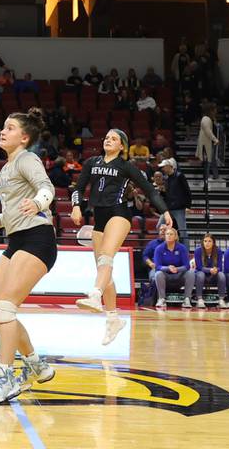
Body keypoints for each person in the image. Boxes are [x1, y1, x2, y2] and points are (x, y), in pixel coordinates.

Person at [0, 109, 57, 405]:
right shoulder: (6, 169)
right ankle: (37, 365)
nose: (2, 131)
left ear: (24, 137)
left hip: (38, 240)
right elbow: (13, 209)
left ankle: (6, 375)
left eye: (9, 128)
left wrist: (38, 203)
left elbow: (46, 188)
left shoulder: (27, 159)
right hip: (16, 239)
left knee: (4, 309)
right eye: (3, 127)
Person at [71, 129, 171, 335]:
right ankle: (113, 319)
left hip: (119, 214)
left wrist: (165, 211)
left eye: (113, 139)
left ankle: (95, 295)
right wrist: (75, 205)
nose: (108, 140)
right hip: (98, 218)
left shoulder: (126, 166)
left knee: (106, 259)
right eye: (106, 137)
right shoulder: (92, 163)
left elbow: (149, 189)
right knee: (103, 269)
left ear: (122, 146)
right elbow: (78, 188)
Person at [149, 226, 192, 310]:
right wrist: (168, 268)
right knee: (158, 273)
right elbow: (158, 266)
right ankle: (161, 299)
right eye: (167, 234)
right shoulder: (159, 248)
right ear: (165, 236)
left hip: (179, 275)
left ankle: (187, 299)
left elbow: (187, 266)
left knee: (190, 273)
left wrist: (177, 269)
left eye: (171, 234)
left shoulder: (182, 248)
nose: (169, 236)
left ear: (175, 236)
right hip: (166, 275)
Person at [159, 158, 192, 244]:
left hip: (178, 208)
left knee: (183, 231)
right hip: (169, 208)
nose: (163, 169)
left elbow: (187, 190)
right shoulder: (166, 178)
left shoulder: (179, 176)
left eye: (164, 167)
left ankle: (186, 251)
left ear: (170, 166)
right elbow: (168, 193)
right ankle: (165, 246)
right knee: (159, 226)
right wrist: (162, 192)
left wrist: (188, 206)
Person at [188, 233, 224, 307]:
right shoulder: (198, 251)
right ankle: (199, 299)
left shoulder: (218, 251)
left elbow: (220, 267)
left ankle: (221, 299)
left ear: (213, 243)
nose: (207, 243)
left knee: (221, 275)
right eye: (205, 241)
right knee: (201, 274)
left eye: (209, 241)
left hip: (213, 275)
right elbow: (199, 267)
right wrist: (210, 270)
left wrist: (216, 269)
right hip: (201, 274)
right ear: (202, 242)